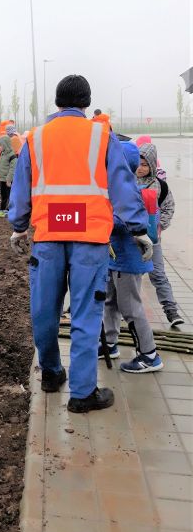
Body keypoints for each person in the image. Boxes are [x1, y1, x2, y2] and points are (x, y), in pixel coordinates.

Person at [8, 75, 152, 413]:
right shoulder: (102, 136)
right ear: (86, 104)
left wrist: (18, 227)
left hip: (48, 236)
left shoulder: (36, 138)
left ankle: (51, 373)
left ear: (58, 103)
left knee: (45, 308)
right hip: (90, 239)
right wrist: (138, 229)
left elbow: (21, 185)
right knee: (87, 313)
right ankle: (83, 393)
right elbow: (122, 185)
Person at [102, 141, 163, 373]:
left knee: (131, 308)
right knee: (111, 302)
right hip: (115, 258)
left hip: (128, 261)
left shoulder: (131, 192)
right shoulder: (121, 188)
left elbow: (124, 223)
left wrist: (99, 219)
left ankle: (149, 355)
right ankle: (109, 343)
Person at [136, 143, 183, 327]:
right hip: (130, 240)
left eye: (144, 164)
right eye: (137, 163)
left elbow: (168, 207)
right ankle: (127, 310)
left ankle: (171, 311)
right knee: (129, 276)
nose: (140, 168)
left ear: (153, 165)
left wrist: (159, 226)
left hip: (152, 241)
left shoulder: (161, 186)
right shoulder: (126, 182)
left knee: (158, 275)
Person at [0, 125, 19, 217]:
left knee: (7, 196)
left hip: (7, 180)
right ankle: (4, 209)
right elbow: (0, 166)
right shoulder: (3, 154)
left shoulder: (12, 156)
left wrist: (9, 179)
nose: (0, 146)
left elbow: (13, 169)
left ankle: (4, 210)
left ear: (5, 144)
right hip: (2, 179)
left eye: (1, 144)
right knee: (4, 194)